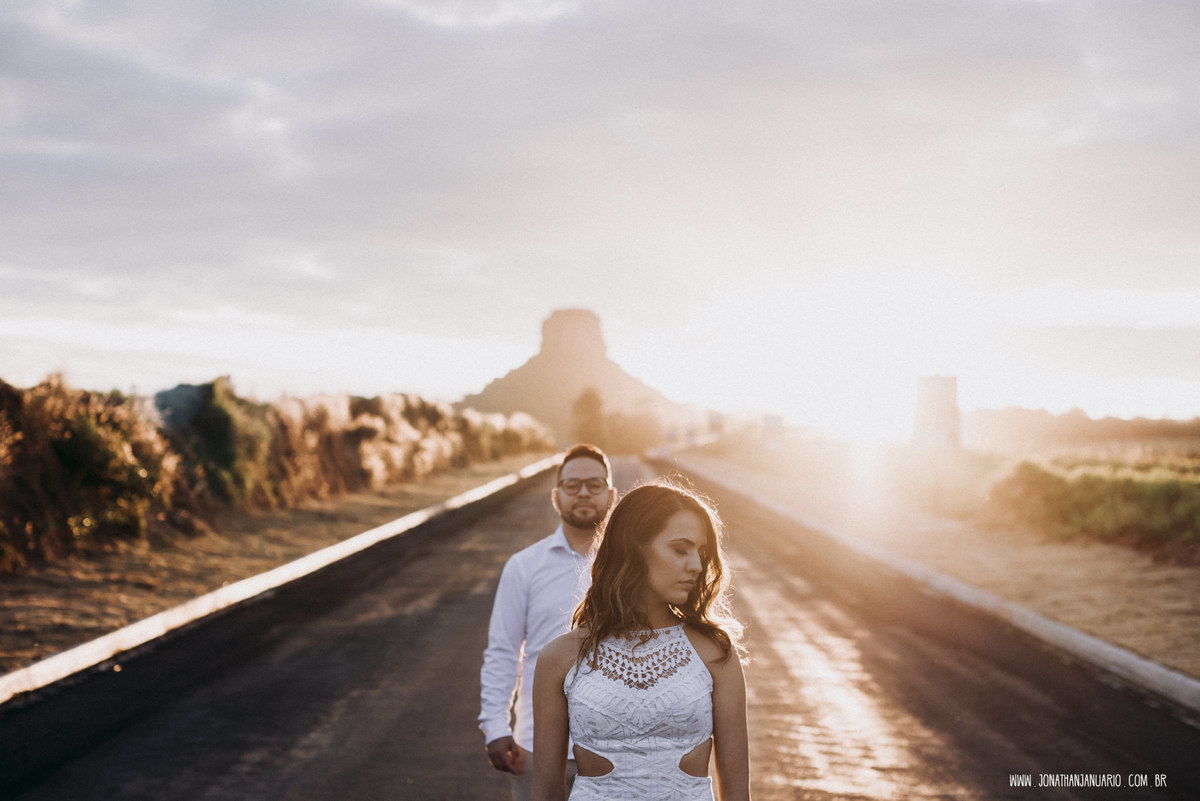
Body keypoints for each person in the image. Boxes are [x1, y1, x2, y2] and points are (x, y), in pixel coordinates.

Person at [530, 481, 751, 801]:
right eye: (681, 549)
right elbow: (546, 792)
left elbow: (737, 794)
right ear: (633, 548)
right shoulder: (560, 657)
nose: (696, 565)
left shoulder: (716, 654)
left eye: (701, 553)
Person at [480, 443, 618, 801]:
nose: (583, 492)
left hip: (619, 751)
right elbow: (503, 650)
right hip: (537, 746)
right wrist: (495, 725)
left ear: (611, 495)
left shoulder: (632, 568)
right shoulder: (524, 566)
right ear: (556, 497)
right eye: (572, 485)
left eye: (594, 484)